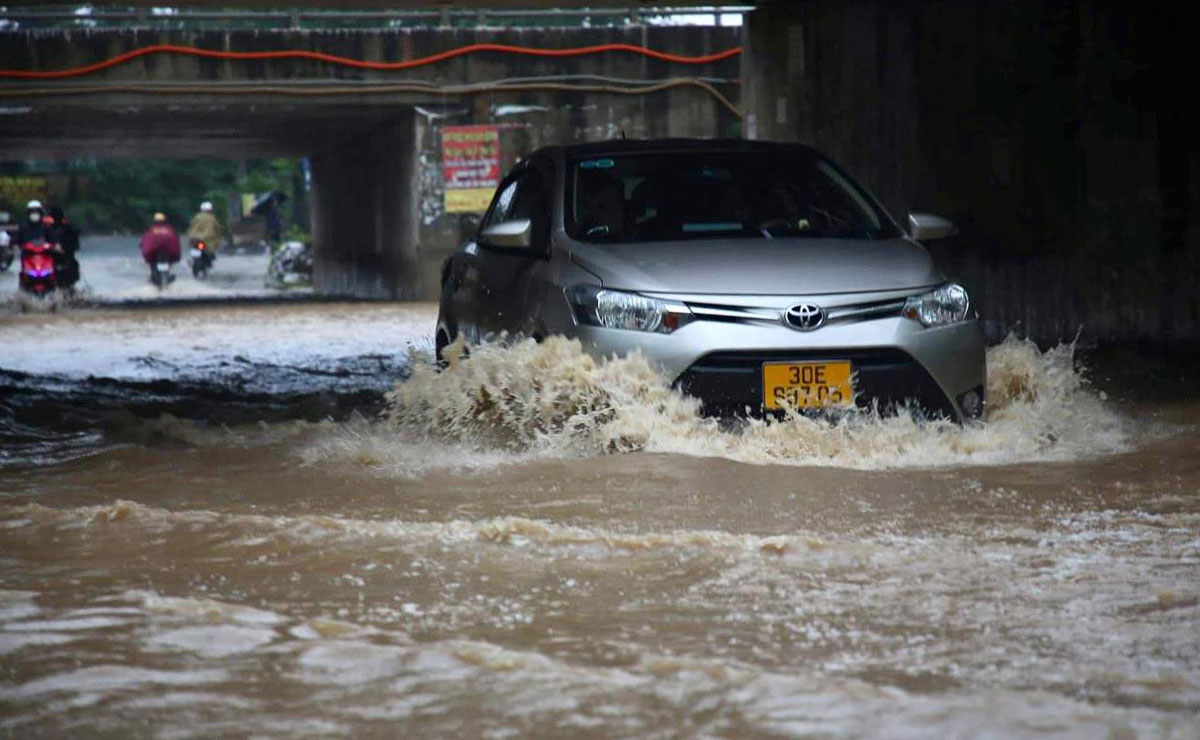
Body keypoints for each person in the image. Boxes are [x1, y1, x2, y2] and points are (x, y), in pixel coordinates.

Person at [45, 205, 81, 290]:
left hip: (66, 262)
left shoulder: (67, 229)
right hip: (52, 262)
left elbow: (75, 245)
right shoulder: (47, 229)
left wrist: (65, 250)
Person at [139, 212, 180, 284]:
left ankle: (154, 277)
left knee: (152, 263)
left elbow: (144, 241)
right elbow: (176, 241)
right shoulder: (170, 229)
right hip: (166, 253)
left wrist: (142, 245)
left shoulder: (151, 230)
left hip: (156, 253)